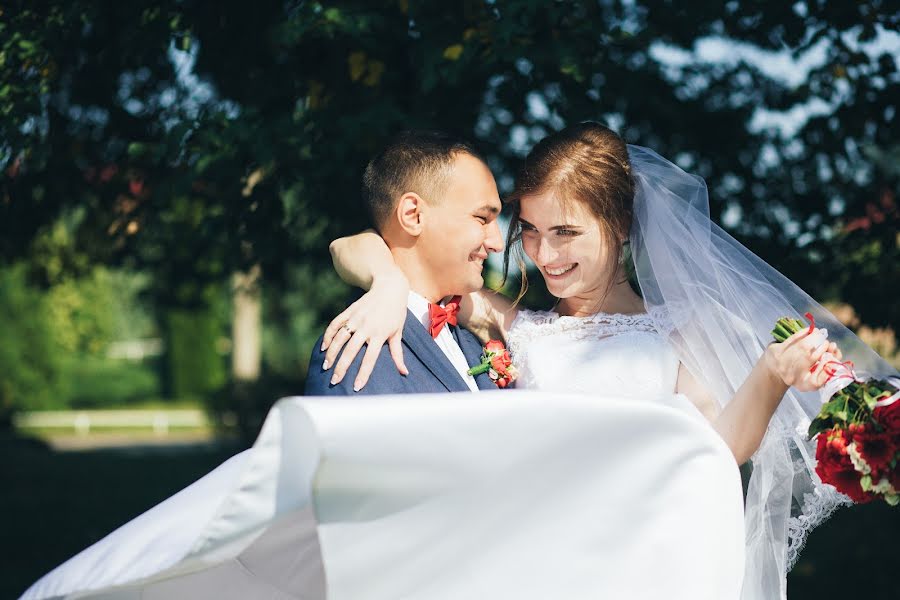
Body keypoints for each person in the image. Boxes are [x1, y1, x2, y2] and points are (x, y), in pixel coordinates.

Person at [321, 122, 898, 600]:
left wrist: (772, 375)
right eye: (531, 232)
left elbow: (716, 451)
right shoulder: (518, 323)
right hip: (534, 571)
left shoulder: (677, 330)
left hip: (643, 566)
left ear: (619, 226)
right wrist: (386, 285)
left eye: (566, 232)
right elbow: (358, 244)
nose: (545, 255)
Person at [305, 130, 505, 395]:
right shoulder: (356, 354)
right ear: (413, 215)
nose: (497, 243)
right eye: (482, 218)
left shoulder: (475, 336)